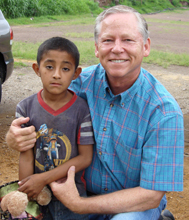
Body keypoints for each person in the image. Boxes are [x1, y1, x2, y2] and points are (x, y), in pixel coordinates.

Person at [6, 5, 184, 220]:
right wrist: (14, 136)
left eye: (128, 40)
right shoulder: (78, 82)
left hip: (130, 206)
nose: (117, 49)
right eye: (108, 40)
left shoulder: (164, 112)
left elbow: (150, 195)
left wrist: (80, 205)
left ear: (145, 47)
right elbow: (38, 107)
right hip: (75, 191)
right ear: (97, 48)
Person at [14, 37, 94, 219]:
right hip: (39, 196)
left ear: (76, 73)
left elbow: (85, 157)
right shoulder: (25, 108)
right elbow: (26, 154)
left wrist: (42, 178)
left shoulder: (82, 109)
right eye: (49, 67)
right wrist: (26, 193)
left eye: (65, 69)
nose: (57, 74)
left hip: (72, 197)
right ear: (37, 69)